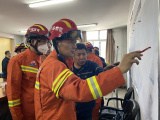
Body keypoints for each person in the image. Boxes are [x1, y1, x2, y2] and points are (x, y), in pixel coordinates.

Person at [34, 18, 143, 120]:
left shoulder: (62, 62)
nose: (75, 46)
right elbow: (80, 90)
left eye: (75, 42)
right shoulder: (54, 66)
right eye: (71, 42)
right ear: (57, 43)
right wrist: (119, 70)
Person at [7, 24, 49, 120]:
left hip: (44, 111)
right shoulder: (17, 60)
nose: (45, 45)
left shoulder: (44, 59)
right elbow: (13, 93)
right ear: (33, 41)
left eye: (46, 42)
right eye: (43, 42)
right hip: (27, 113)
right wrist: (17, 117)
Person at [72, 43, 104, 120]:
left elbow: (102, 74)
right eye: (78, 55)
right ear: (73, 55)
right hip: (72, 106)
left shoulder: (92, 65)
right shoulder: (69, 68)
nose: (82, 57)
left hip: (88, 106)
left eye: (84, 54)